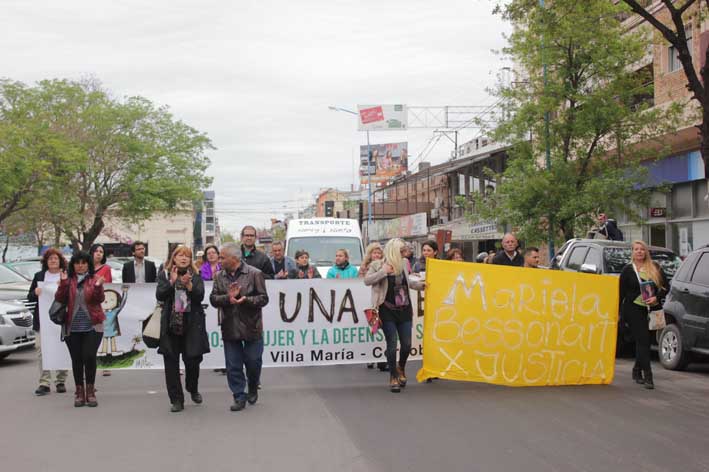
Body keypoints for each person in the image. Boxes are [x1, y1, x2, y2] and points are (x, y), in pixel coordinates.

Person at [209, 243, 269, 412]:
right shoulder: (219, 276)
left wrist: (245, 299)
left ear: (233, 258)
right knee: (233, 365)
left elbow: (263, 299)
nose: (219, 260)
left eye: (222, 257)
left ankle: (252, 385)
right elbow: (213, 299)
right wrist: (228, 298)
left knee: (253, 361)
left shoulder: (255, 274)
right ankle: (239, 396)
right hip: (230, 325)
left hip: (252, 326)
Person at [364, 238, 425, 392]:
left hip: (404, 310)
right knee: (391, 345)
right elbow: (367, 281)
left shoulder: (404, 263)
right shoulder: (377, 264)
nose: (405, 253)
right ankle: (393, 376)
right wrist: (383, 272)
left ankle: (401, 368)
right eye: (401, 251)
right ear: (393, 251)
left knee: (406, 345)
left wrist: (422, 285)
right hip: (386, 310)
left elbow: (409, 283)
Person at [155, 245, 209, 412]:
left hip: (191, 324)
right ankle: (176, 399)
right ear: (174, 258)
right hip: (171, 325)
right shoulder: (165, 273)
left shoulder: (196, 274)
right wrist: (172, 282)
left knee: (193, 361)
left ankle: (192, 388)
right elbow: (160, 295)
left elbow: (200, 296)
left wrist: (190, 285)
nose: (184, 258)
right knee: (171, 364)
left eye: (187, 256)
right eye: (180, 255)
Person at [54, 251, 106, 408]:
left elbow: (100, 299)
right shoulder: (68, 280)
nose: (80, 265)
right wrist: (63, 284)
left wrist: (97, 287)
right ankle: (79, 392)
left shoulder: (95, 279)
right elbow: (60, 299)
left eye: (83, 262)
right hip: (72, 327)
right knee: (76, 359)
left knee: (89, 356)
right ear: (73, 265)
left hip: (93, 325)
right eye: (77, 262)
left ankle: (90, 392)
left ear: (88, 264)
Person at [619, 240, 667, 390]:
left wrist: (656, 298)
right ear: (632, 252)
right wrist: (619, 314)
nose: (639, 252)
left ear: (646, 252)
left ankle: (636, 370)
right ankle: (648, 375)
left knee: (646, 341)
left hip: (651, 309)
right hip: (633, 309)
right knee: (643, 341)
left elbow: (666, 287)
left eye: (642, 249)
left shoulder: (655, 268)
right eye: (636, 249)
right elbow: (621, 293)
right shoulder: (627, 270)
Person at [27, 248, 69, 396]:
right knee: (41, 350)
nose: (53, 261)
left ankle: (60, 380)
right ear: (46, 261)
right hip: (42, 320)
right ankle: (44, 382)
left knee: (61, 348)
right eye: (50, 258)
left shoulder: (65, 275)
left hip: (60, 319)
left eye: (55, 258)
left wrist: (63, 284)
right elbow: (30, 296)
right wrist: (35, 293)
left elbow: (72, 295)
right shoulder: (39, 276)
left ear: (60, 261)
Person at [90, 244, 114, 377]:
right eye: (96, 251)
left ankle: (106, 363)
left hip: (102, 302)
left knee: (105, 334)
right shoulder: (85, 268)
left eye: (101, 252)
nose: (99, 254)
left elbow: (109, 287)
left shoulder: (106, 269)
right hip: (88, 304)